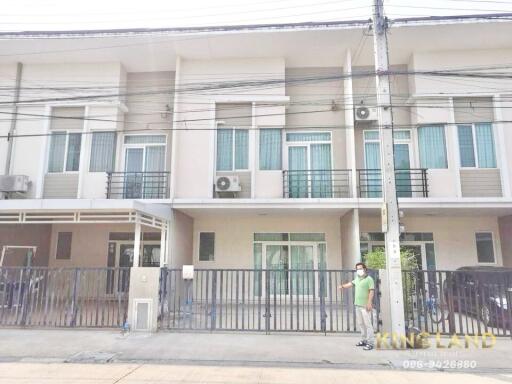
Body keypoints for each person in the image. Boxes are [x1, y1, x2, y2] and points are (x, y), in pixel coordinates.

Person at [339, 262, 375, 350]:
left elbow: (371, 291)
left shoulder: (369, 279)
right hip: (357, 305)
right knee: (361, 324)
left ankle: (370, 343)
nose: (359, 270)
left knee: (368, 324)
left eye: (360, 268)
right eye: (357, 269)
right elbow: (350, 284)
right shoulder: (357, 279)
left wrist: (369, 302)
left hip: (365, 306)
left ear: (365, 269)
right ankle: (364, 340)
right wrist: (342, 286)